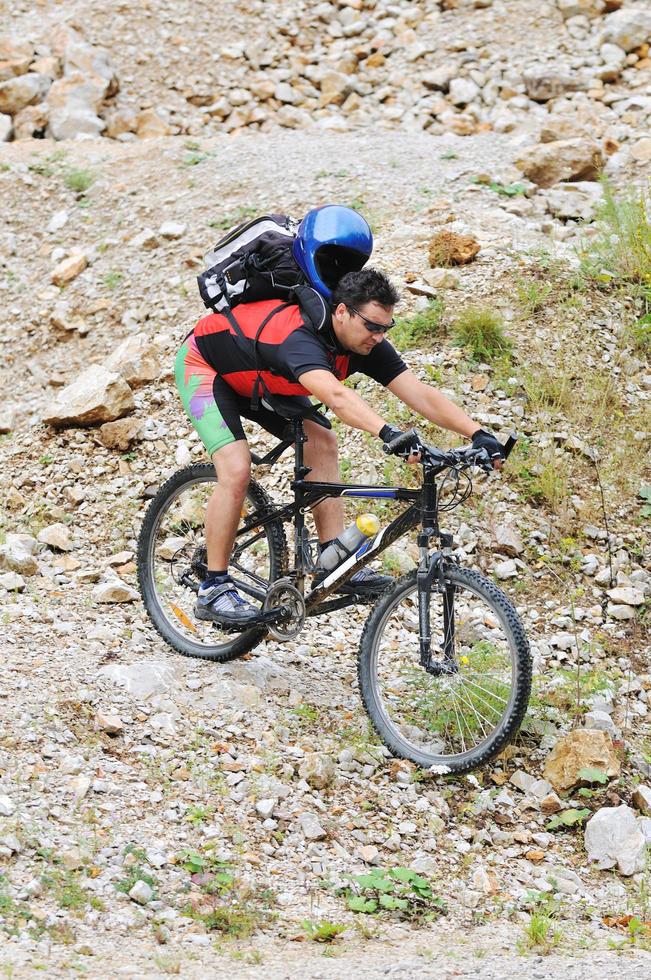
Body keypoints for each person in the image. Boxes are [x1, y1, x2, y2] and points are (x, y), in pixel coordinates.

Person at [175, 214, 504, 627]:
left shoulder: (366, 340)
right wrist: (387, 432)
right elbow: (335, 395)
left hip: (263, 380)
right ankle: (213, 586)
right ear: (343, 312)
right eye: (372, 327)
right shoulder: (300, 338)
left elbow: (419, 393)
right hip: (208, 368)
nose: (379, 338)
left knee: (322, 442)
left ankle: (334, 558)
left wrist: (478, 432)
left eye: (387, 328)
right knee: (237, 470)